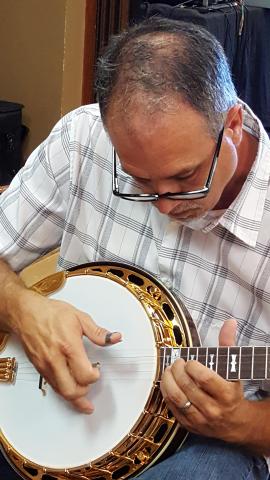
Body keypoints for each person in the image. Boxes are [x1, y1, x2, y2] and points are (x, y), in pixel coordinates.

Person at [0, 17, 269, 480]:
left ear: (233, 124)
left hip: (204, 445)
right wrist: (22, 308)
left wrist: (242, 423)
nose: (165, 205)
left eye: (185, 178)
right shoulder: (83, 140)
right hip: (45, 405)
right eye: (139, 182)